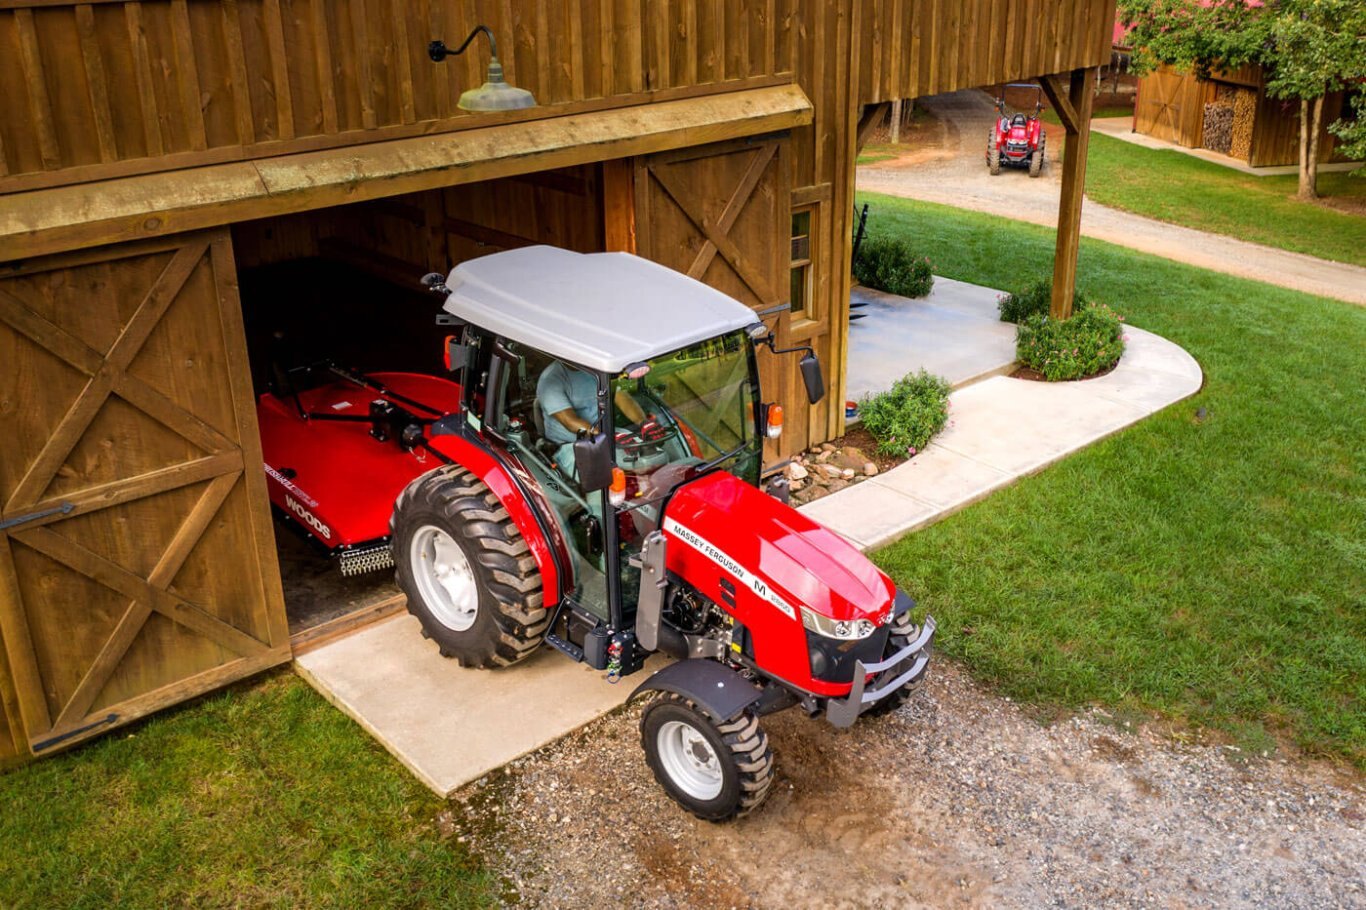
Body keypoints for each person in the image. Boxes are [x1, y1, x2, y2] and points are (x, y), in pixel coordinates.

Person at [537, 360, 645, 480]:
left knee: (650, 458)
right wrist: (607, 436)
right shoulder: (551, 379)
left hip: (605, 431)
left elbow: (621, 397)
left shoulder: (595, 369)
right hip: (571, 444)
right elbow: (570, 421)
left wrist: (644, 423)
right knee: (597, 480)